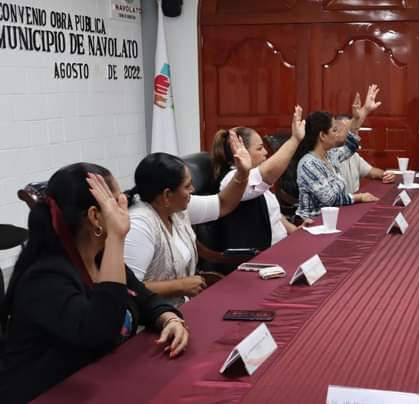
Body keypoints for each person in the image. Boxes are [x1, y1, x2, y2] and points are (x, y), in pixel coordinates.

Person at [0, 163, 189, 403]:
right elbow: (100, 332)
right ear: (95, 216)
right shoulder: (45, 278)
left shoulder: (100, 258)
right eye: (118, 202)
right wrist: (116, 238)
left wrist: (168, 319)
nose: (126, 207)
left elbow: (144, 298)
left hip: (101, 383)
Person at [124, 135, 251, 306]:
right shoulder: (139, 225)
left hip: (181, 308)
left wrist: (242, 173)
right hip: (152, 322)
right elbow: (127, 290)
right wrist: (179, 286)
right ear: (167, 195)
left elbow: (223, 204)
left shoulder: (177, 207)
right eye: (187, 186)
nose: (193, 189)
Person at [211, 106, 309, 247]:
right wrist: (295, 140)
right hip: (260, 256)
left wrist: (294, 230)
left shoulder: (252, 174)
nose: (265, 152)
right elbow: (268, 173)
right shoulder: (232, 179)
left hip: (282, 245)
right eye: (259, 148)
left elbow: (273, 215)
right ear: (241, 152)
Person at [295, 85, 382, 218]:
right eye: (334, 130)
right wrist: (359, 197)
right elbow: (330, 199)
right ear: (323, 136)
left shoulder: (330, 155)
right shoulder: (308, 164)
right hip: (313, 223)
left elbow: (351, 145)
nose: (338, 134)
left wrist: (363, 112)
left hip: (333, 217)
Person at [334, 113, 395, 193]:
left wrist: (386, 175)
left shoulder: (354, 155)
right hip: (341, 203)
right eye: (347, 131)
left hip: (354, 202)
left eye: (353, 130)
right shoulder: (330, 156)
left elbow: (371, 171)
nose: (351, 134)